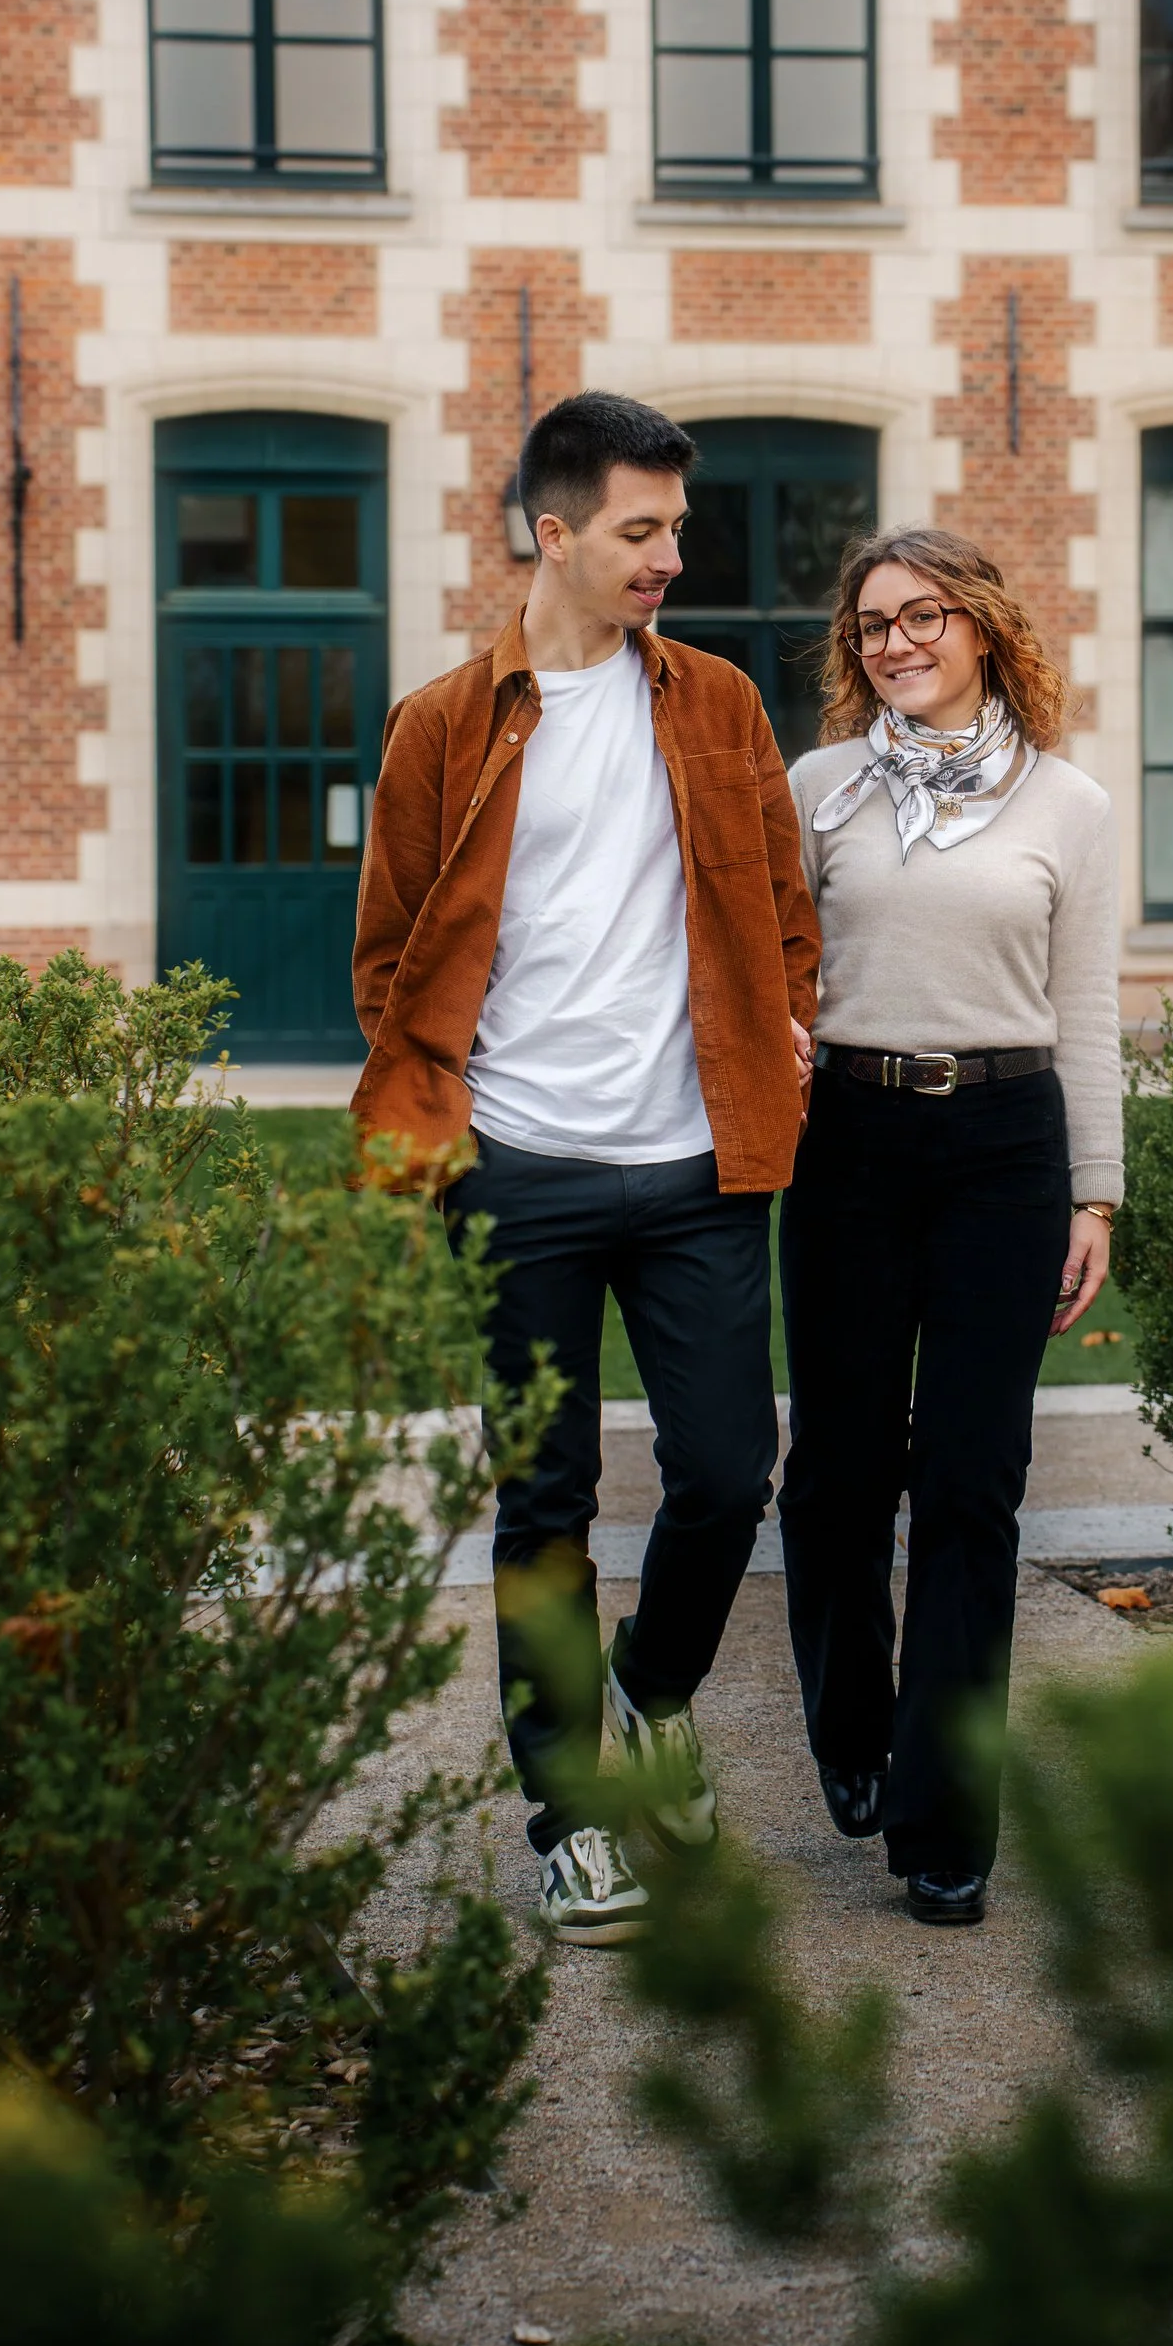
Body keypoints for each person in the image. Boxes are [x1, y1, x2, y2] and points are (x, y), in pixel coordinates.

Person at [351, 392, 819, 1947]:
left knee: (725, 1474)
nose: (672, 556)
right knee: (542, 1501)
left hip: (697, 1159)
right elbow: (390, 956)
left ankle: (656, 1685)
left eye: (677, 529)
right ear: (554, 533)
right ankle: (571, 1815)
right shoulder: (440, 725)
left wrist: (785, 1022)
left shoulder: (720, 708)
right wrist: (451, 1130)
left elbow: (779, 899)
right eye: (643, 529)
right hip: (522, 1175)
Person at [780, 528, 1119, 1927]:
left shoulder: (1068, 805)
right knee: (840, 1477)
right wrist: (773, 1047)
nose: (895, 643)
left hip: (1004, 1147)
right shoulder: (818, 790)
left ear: (983, 628)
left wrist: (1095, 1188)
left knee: (974, 1486)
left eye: (923, 618)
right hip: (848, 1144)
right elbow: (770, 966)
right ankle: (853, 1728)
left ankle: (943, 1819)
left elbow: (1086, 1003)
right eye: (871, 627)